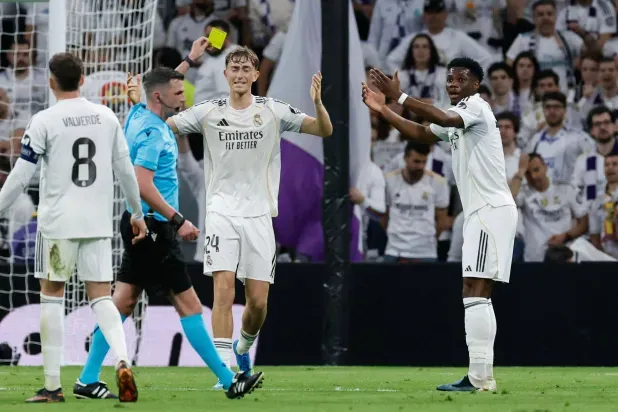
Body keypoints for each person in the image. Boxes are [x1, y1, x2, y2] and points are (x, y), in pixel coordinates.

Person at [76, 39, 265, 401]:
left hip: (138, 222)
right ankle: (229, 381)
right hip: (153, 228)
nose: (184, 97)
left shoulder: (138, 113)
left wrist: (189, 60)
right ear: (160, 98)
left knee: (123, 302)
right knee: (188, 305)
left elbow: (160, 84)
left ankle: (87, 378)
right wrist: (179, 221)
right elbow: (142, 184)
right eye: (178, 93)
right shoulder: (153, 134)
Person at [165, 46, 333, 388]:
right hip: (221, 213)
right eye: (235, 68)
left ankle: (243, 347)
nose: (240, 74)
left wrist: (317, 102)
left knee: (257, 304)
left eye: (246, 69)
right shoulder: (208, 111)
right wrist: (150, 106)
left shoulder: (273, 110)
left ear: (256, 75)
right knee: (223, 291)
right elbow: (165, 126)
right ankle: (225, 372)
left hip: (259, 216)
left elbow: (323, 130)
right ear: (225, 75)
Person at [363, 57, 517, 392]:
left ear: (476, 85)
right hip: (482, 211)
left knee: (475, 289)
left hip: (489, 210)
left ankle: (479, 378)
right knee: (475, 291)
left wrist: (400, 97)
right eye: (450, 79)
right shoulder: (460, 116)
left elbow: (443, 118)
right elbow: (421, 132)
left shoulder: (476, 107)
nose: (453, 84)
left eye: (461, 79)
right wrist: (384, 110)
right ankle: (481, 376)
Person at [0, 52, 148, 403]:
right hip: (97, 222)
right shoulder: (106, 116)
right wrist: (137, 213)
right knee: (101, 297)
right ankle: (122, 360)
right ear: (82, 80)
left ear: (51, 82)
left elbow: (20, 177)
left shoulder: (44, 120)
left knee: (51, 297)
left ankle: (53, 386)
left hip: (57, 225)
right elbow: (126, 171)